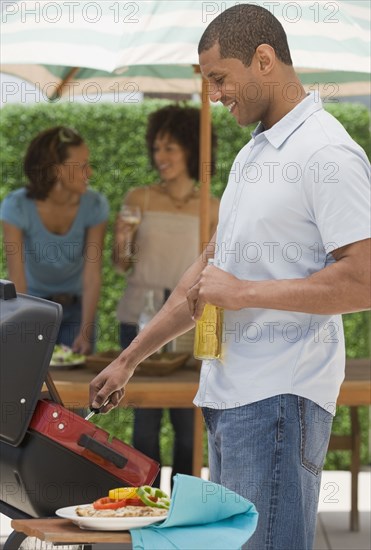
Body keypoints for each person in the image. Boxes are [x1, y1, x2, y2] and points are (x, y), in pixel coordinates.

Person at [89, 4, 370, 549]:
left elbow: (363, 279)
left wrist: (241, 292)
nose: (214, 95)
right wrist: (129, 359)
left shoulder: (327, 151)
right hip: (231, 399)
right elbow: (204, 276)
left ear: (264, 59)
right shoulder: (252, 156)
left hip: (281, 400)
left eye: (220, 78)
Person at [112, 104, 219, 487]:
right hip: (138, 315)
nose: (161, 157)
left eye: (170, 148)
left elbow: (213, 268)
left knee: (187, 419)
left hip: (187, 319)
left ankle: (185, 507)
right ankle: (145, 504)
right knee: (144, 418)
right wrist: (122, 240)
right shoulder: (138, 197)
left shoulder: (212, 205)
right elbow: (121, 265)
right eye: (157, 148)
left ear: (191, 148)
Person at [1, 126, 109, 355]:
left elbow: (92, 274)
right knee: (32, 387)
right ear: (56, 170)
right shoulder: (16, 206)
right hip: (34, 308)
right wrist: (26, 330)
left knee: (78, 386)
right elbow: (17, 279)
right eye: (81, 166)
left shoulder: (95, 205)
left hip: (78, 312)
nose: (89, 172)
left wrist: (86, 332)